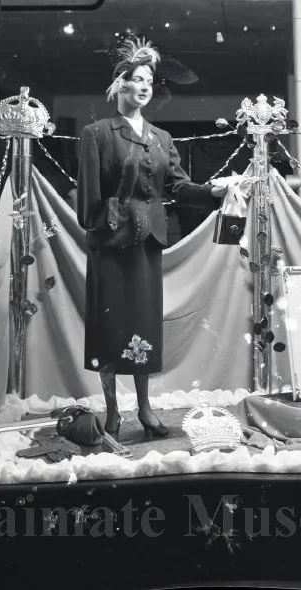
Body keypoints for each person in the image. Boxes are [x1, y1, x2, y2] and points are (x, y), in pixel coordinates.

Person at [77, 35, 246, 441]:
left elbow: (179, 187)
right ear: (120, 84)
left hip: (148, 246)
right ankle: (113, 411)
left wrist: (212, 192)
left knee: (142, 327)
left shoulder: (162, 139)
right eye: (137, 79)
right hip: (111, 246)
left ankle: (145, 407)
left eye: (149, 80)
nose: (145, 86)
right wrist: (115, 217)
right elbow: (88, 205)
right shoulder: (96, 134)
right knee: (109, 328)